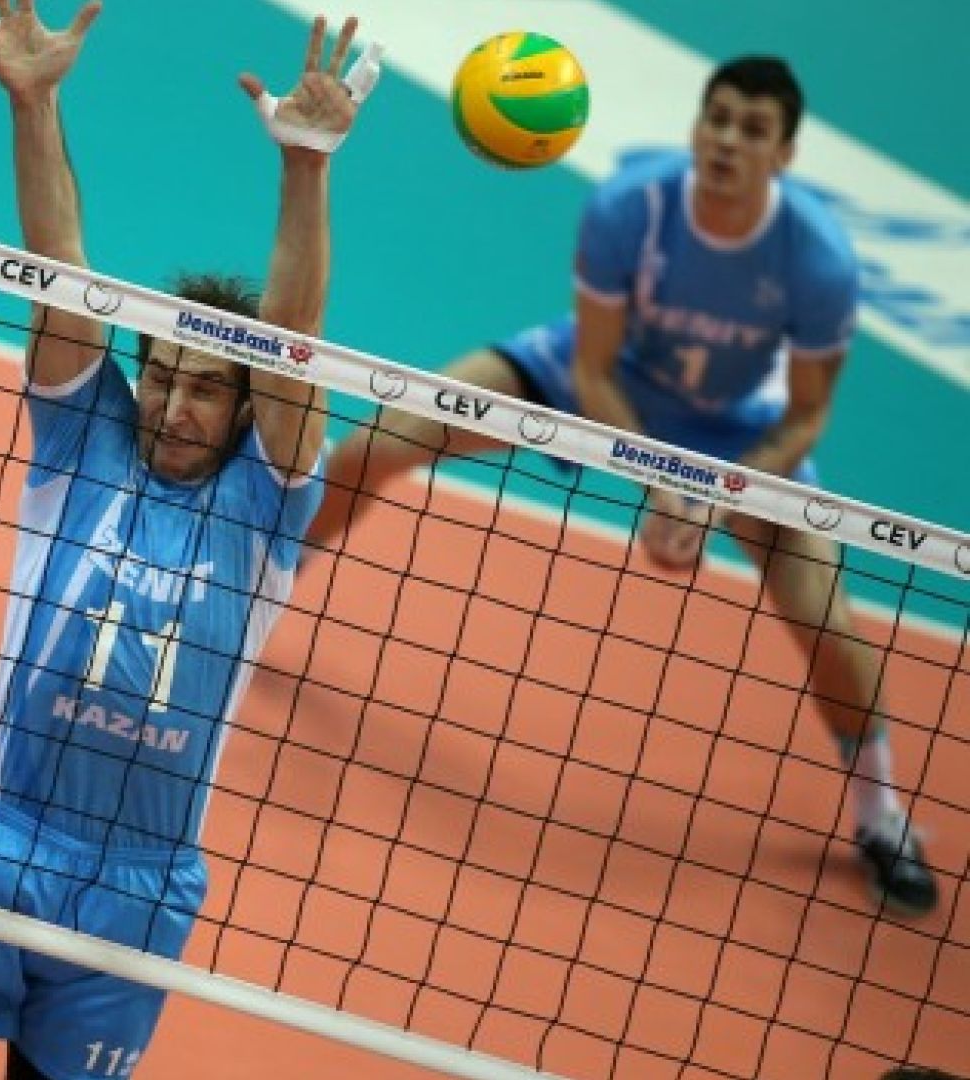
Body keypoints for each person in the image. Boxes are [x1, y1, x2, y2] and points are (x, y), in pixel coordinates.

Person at [305, 55, 939, 917]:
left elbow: (805, 417)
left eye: (752, 130)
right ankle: (263, 585)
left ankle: (881, 814)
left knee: (826, 619)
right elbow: (595, 368)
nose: (727, 140)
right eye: (718, 118)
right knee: (384, 439)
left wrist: (712, 498)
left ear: (784, 154)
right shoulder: (630, 207)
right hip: (598, 387)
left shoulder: (817, 259)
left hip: (740, 433)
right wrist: (657, 482)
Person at [0, 4, 369, 1078]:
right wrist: (34, 102)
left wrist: (304, 167)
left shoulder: (264, 505)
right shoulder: (82, 443)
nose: (173, 407)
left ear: (244, 411)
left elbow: (293, 345)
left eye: (206, 390)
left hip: (137, 891)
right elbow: (57, 262)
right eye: (160, 377)